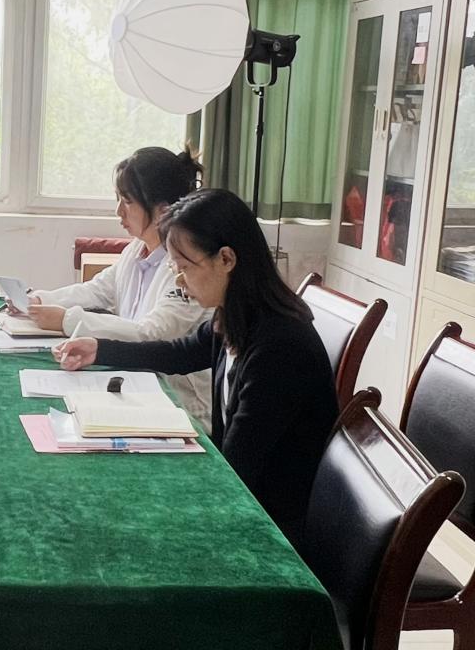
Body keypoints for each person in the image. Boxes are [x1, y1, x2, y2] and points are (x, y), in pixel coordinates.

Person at [53, 188, 337, 547]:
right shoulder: (236, 315)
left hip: (270, 529)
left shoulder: (279, 347)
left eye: (185, 267)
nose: (179, 280)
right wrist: (99, 348)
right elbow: (179, 353)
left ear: (226, 259)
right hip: (240, 500)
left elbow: (238, 467)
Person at [18, 146, 213, 423]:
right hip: (137, 383)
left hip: (182, 404)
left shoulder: (186, 268)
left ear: (162, 211)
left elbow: (152, 334)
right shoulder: (137, 249)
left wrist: (67, 320)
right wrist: (40, 300)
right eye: (118, 199)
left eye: (128, 201)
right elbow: (98, 290)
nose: (119, 211)